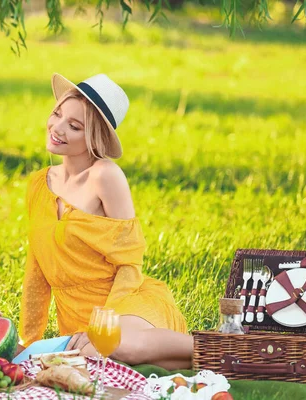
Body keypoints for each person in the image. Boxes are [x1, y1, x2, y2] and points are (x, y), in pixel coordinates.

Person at [17, 73, 193, 369]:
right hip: (77, 322)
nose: (57, 128)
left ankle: (225, 348)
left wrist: (104, 325)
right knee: (98, 356)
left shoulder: (105, 176)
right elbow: (36, 268)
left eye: (74, 126)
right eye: (57, 114)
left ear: (94, 137)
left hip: (127, 305)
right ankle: (203, 359)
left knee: (116, 344)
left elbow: (129, 262)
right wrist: (27, 342)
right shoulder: (38, 184)